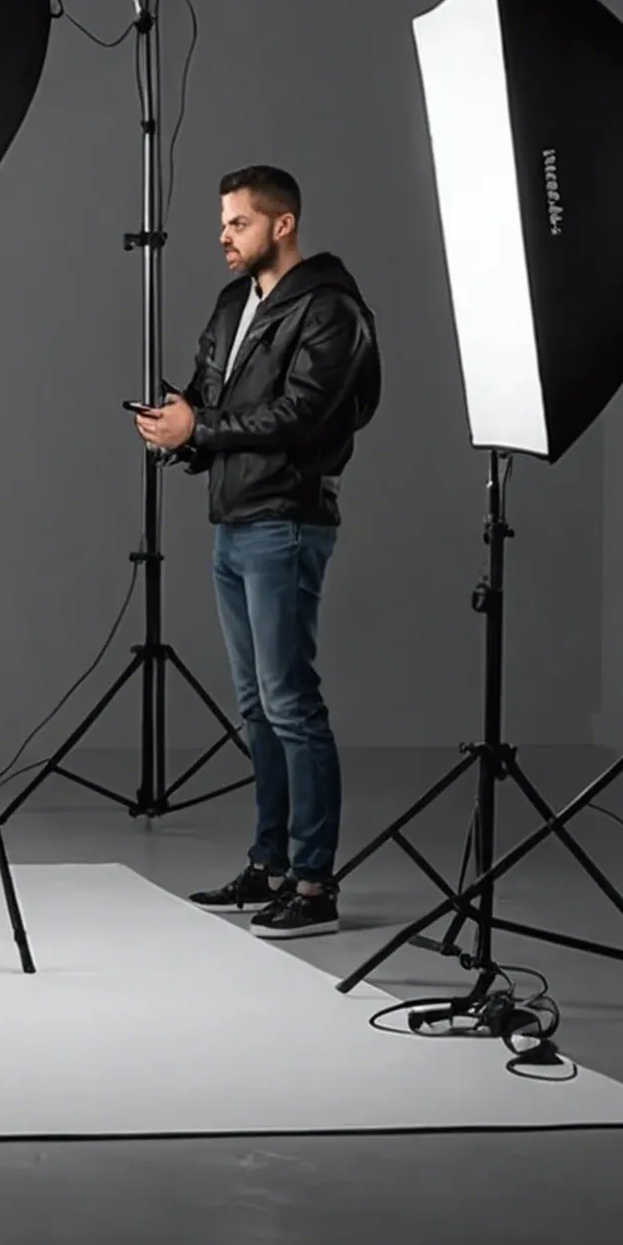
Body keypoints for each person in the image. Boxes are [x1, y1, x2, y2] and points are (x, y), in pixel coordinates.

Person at [137, 165, 380, 941]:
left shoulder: (331, 308)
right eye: (222, 222)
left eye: (238, 222)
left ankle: (314, 885)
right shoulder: (233, 303)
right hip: (234, 519)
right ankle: (268, 865)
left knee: (291, 703)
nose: (223, 236)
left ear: (282, 225)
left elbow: (304, 413)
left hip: (288, 520)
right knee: (256, 705)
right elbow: (217, 400)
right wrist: (178, 421)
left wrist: (199, 431)